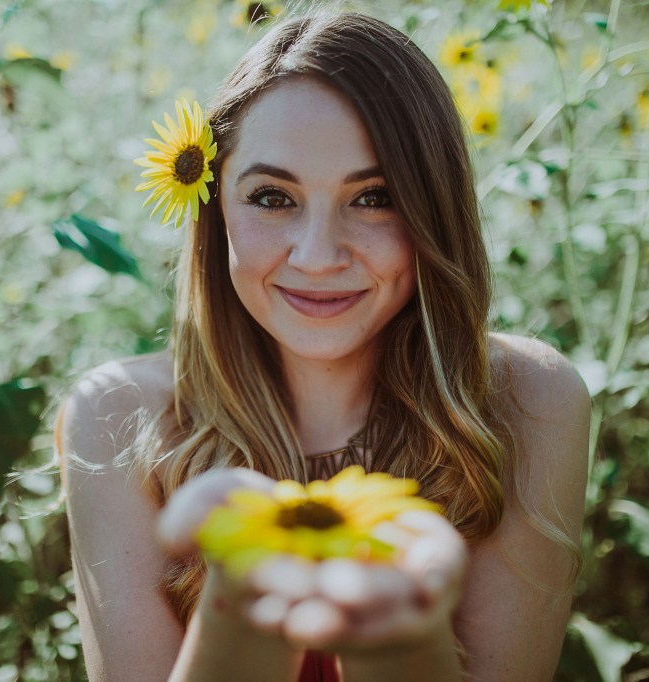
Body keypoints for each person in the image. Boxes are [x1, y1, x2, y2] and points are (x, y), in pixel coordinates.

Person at [56, 11, 590, 682]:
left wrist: (393, 636)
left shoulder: (524, 403)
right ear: (216, 209)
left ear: (434, 207)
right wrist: (243, 595)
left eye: (373, 197)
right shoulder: (120, 421)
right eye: (273, 197)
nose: (316, 256)